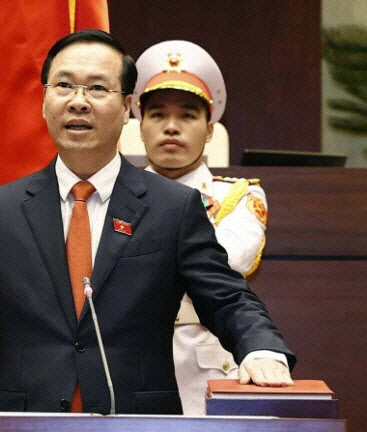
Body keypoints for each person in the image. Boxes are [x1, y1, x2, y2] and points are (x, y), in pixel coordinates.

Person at [0, 29, 295, 415]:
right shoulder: (2, 209)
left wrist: (261, 351)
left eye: (98, 88)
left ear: (128, 107)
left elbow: (227, 298)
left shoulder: (172, 207)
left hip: (136, 421)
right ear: (44, 101)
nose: (78, 101)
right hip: (28, 421)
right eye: (64, 86)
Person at [132, 40, 269, 415]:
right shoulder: (109, 193)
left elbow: (228, 265)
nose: (171, 127)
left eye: (188, 116)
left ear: (210, 130)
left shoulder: (238, 196)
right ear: (139, 125)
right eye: (157, 114)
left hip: (205, 368)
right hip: (125, 362)